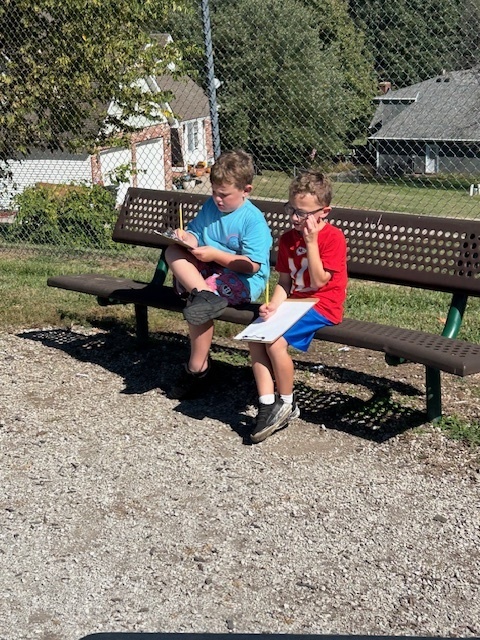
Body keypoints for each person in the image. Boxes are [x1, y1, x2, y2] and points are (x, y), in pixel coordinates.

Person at [248, 171, 347, 443]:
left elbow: (317, 282)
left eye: (302, 213)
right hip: (294, 304)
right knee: (257, 337)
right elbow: (284, 282)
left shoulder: (332, 238)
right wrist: (273, 305)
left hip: (322, 304)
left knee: (275, 342)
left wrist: (311, 242)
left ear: (324, 212)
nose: (294, 217)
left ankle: (287, 403)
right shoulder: (287, 239)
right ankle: (267, 404)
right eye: (291, 209)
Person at [165, 149, 272, 400]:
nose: (217, 199)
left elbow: (253, 266)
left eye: (224, 195)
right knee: (172, 251)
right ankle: (202, 293)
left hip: (243, 280)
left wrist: (216, 256)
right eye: (213, 192)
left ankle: (196, 369)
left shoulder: (252, 220)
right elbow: (196, 235)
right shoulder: (210, 207)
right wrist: (185, 238)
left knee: (200, 305)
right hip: (210, 271)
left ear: (246, 190)